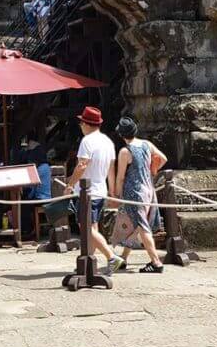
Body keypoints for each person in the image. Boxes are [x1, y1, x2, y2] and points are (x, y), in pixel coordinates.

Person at [108, 117, 167, 274]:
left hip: (134, 192)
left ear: (121, 135)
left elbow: (120, 177)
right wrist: (152, 170)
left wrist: (117, 195)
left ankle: (155, 262)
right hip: (148, 188)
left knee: (141, 226)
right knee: (135, 224)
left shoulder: (125, 152)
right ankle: (124, 258)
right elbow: (163, 159)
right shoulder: (147, 144)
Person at [64, 106, 121, 271]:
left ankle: (111, 257)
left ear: (86, 124)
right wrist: (112, 192)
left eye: (81, 123)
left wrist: (70, 184)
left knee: (86, 228)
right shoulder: (107, 142)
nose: (80, 126)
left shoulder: (87, 141)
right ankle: (90, 262)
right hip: (100, 189)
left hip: (86, 191)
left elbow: (82, 165)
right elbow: (111, 169)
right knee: (93, 228)